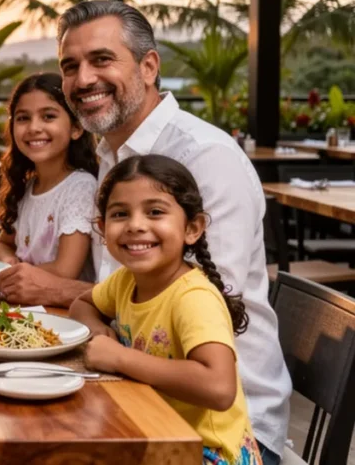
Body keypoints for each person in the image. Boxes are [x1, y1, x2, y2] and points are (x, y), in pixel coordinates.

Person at [56, 0, 289, 464]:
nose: (82, 80)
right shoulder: (112, 157)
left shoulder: (206, 157)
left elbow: (210, 300)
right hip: (142, 395)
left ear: (148, 67)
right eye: (70, 66)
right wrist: (101, 337)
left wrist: (113, 354)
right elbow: (108, 297)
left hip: (226, 431)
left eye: (101, 59)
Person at [71, 155, 263, 465]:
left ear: (193, 228)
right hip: (154, 429)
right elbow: (82, 304)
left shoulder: (193, 297)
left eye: (155, 212)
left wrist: (120, 357)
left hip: (206, 452)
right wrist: (99, 332)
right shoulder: (125, 280)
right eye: (120, 214)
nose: (135, 226)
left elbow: (219, 387)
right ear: (102, 228)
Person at [0, 73, 98, 305]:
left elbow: (65, 270)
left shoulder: (80, 187)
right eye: (23, 118)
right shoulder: (28, 185)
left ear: (76, 128)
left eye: (48, 116)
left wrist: (17, 275)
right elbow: (1, 245)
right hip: (24, 304)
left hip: (64, 314)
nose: (34, 127)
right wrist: (11, 264)